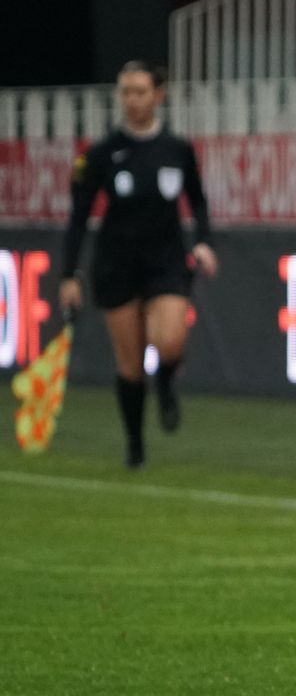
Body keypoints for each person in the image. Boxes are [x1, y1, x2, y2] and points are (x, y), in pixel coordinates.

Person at [58, 62, 216, 469]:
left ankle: (165, 381)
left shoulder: (177, 149)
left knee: (170, 341)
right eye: (125, 92)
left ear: (159, 95)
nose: (132, 100)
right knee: (129, 364)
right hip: (117, 262)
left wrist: (203, 242)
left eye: (140, 92)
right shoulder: (101, 153)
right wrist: (69, 274)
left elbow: (198, 201)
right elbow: (78, 217)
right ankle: (135, 444)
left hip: (166, 259)